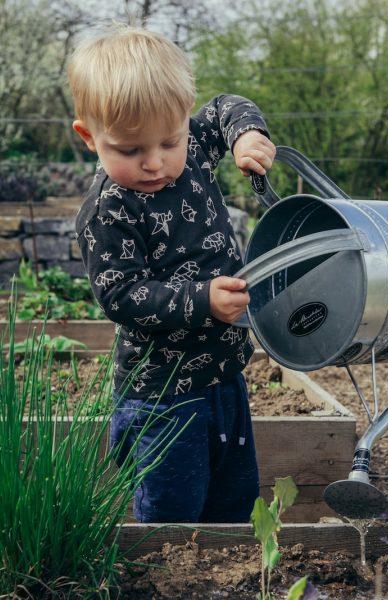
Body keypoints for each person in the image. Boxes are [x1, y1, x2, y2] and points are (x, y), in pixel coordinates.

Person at [69, 25, 275, 523]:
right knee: (172, 513)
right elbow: (122, 295)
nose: (155, 163)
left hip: (226, 376)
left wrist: (247, 134)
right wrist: (202, 299)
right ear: (89, 137)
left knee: (234, 499)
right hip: (163, 396)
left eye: (169, 140)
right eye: (129, 150)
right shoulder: (109, 210)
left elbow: (227, 105)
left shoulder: (196, 149)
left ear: (185, 120)